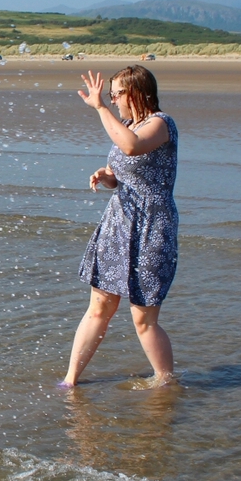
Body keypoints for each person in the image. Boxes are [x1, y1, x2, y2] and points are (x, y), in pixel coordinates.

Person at [61, 66, 179, 387]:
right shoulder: (126, 124)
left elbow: (132, 146)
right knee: (99, 306)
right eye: (110, 96)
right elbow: (119, 167)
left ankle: (165, 381)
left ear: (137, 93)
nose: (112, 101)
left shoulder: (161, 124)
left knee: (143, 318)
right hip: (118, 223)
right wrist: (107, 176)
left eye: (116, 94)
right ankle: (70, 380)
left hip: (152, 226)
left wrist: (99, 108)